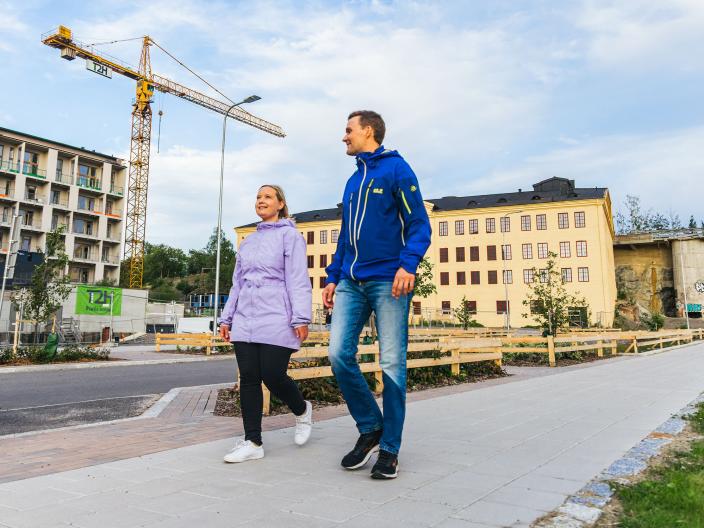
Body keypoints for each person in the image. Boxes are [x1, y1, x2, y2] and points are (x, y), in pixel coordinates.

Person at [323, 110, 431, 479]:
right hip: (350, 282)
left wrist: (408, 265)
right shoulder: (353, 181)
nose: (344, 136)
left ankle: (390, 449)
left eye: (348, 130)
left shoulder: (397, 169)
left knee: (392, 364)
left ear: (368, 131)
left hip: (389, 280)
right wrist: (333, 276)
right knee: (338, 355)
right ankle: (371, 427)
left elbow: (418, 224)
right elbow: (345, 236)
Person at [219, 184, 313, 463]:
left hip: (276, 315)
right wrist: (227, 317)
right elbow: (237, 283)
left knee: (273, 375)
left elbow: (298, 278)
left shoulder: (290, 236)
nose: (261, 200)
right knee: (249, 378)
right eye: (258, 197)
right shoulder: (248, 241)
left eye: (268, 197)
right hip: (245, 317)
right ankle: (253, 442)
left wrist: (301, 317)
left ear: (280, 204)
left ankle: (302, 410)